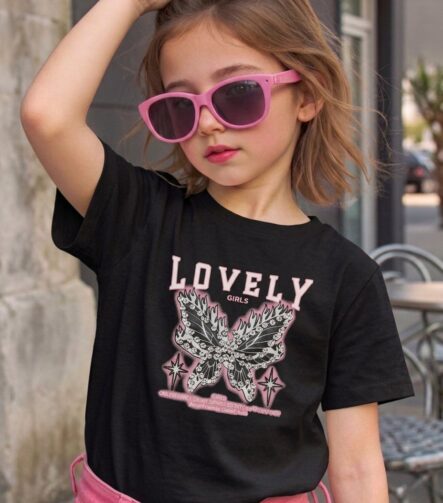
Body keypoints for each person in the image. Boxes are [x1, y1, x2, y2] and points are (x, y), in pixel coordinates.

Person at [20, 0, 415, 501]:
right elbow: (47, 116)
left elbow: (356, 468)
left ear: (308, 95)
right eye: (179, 106)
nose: (206, 122)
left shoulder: (347, 277)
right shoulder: (138, 218)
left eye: (238, 93)